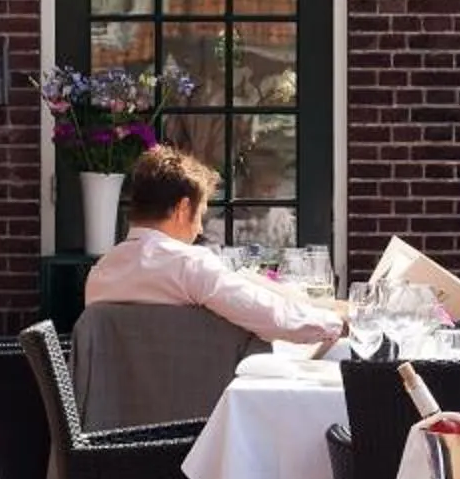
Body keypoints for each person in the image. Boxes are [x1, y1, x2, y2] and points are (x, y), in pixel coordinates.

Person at [83, 145, 345, 346]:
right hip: (204, 411)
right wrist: (340, 324)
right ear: (183, 208)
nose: (199, 229)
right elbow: (275, 319)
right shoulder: (188, 266)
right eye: (200, 215)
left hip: (117, 413)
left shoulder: (100, 275)